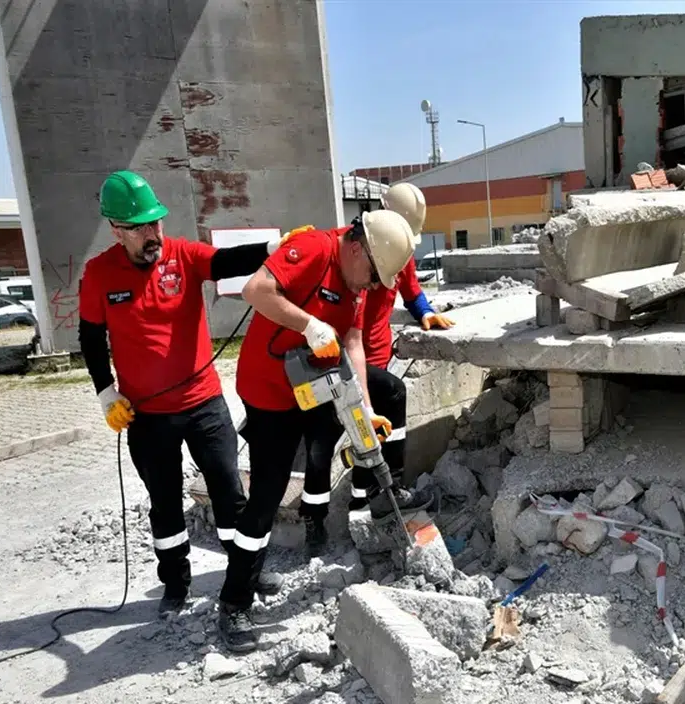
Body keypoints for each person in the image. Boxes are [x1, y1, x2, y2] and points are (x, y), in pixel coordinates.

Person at [78, 170, 297, 615]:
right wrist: (106, 393)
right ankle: (175, 585)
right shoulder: (99, 274)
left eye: (155, 223)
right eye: (138, 228)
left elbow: (224, 261)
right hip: (147, 415)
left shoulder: (181, 256)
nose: (151, 234)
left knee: (230, 492)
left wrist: (274, 249)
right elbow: (89, 337)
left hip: (204, 404)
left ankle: (247, 575)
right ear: (116, 230)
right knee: (164, 503)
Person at [218, 209, 426, 651]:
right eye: (372, 275)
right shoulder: (314, 249)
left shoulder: (357, 279)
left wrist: (365, 411)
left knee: (352, 425)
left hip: (309, 383)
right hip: (268, 389)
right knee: (268, 492)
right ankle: (234, 602)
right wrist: (309, 324)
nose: (372, 286)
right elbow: (256, 290)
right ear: (356, 248)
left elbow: (352, 340)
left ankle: (373, 496)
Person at [297, 181, 453, 554]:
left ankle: (364, 500)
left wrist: (426, 313)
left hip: (375, 359)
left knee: (373, 433)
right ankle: (314, 521)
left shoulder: (401, 251)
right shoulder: (349, 247)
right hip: (337, 361)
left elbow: (412, 290)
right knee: (322, 441)